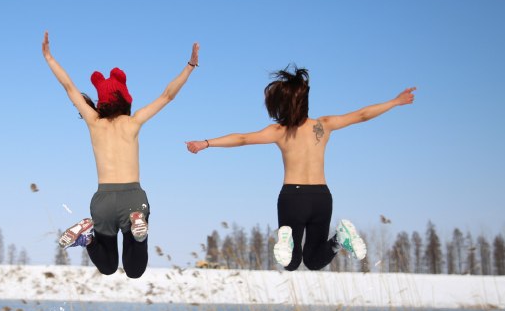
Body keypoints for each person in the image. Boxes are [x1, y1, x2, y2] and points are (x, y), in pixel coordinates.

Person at [186, 66, 415, 271]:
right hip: (321, 197)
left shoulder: (279, 131)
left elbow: (243, 138)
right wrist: (394, 102)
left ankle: (286, 238)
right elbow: (362, 115)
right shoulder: (323, 125)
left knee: (291, 262)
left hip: (292, 197)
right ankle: (340, 238)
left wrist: (206, 143)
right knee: (314, 261)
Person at [42, 31, 200, 278]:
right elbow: (168, 95)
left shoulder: (94, 122)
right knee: (135, 270)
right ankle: (139, 231)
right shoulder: (133, 121)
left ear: (102, 100)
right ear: (125, 97)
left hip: (103, 200)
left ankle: (87, 240)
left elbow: (69, 87)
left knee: (106, 268)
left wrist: (49, 58)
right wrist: (190, 66)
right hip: (133, 198)